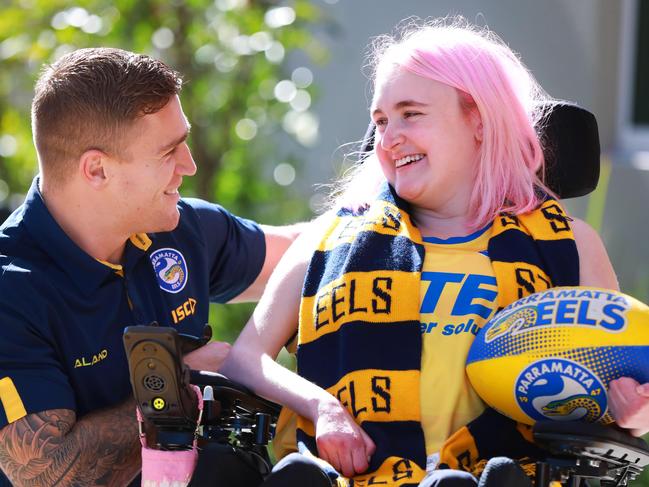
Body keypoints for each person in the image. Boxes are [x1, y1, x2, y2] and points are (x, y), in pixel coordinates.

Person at [220, 18, 649, 487]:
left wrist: (632, 410)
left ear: (479, 121)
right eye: (381, 121)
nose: (388, 137)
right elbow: (246, 359)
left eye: (411, 113)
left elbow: (618, 392)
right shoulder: (330, 238)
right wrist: (324, 409)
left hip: (501, 477)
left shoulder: (569, 244)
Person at [0, 47, 302, 486]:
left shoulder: (178, 225)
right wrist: (186, 387)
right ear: (97, 169)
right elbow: (48, 474)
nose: (190, 165)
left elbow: (305, 253)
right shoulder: (11, 289)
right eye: (169, 152)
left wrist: (392, 180)